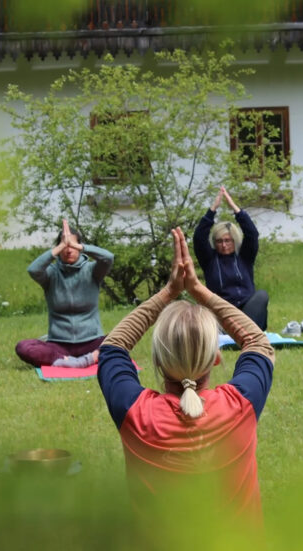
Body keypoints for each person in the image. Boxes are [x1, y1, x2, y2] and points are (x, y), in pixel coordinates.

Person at [97, 227, 275, 520]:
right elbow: (257, 342)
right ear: (216, 358)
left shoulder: (136, 413)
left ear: (157, 360)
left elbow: (113, 347)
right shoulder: (240, 405)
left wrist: (169, 292)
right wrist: (199, 291)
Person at [15, 220, 114, 368]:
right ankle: (74, 360)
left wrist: (79, 246)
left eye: (72, 246)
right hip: (60, 345)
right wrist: (61, 245)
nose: (69, 250)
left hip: (92, 341)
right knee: (23, 347)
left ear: (79, 247)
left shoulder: (93, 271)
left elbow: (108, 258)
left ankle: (75, 361)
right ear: (58, 249)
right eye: (64, 246)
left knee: (119, 341)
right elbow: (33, 270)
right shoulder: (50, 274)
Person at [193, 186, 268, 330]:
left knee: (261, 295)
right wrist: (213, 209)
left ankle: (248, 333)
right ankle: (234, 333)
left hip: (246, 312)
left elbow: (252, 234)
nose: (224, 245)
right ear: (214, 243)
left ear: (234, 240)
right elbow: (199, 237)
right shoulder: (209, 260)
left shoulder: (245, 257)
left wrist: (235, 208)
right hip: (222, 312)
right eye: (220, 241)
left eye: (228, 241)